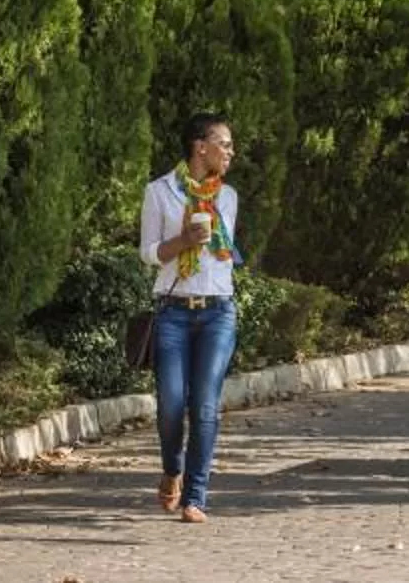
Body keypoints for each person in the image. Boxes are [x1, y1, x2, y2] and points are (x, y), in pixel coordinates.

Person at [140, 110, 242, 522]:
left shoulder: (228, 197)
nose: (231, 152)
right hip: (173, 312)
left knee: (204, 406)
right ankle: (171, 472)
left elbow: (225, 259)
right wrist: (182, 241)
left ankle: (195, 496)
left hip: (218, 311)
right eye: (225, 143)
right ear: (201, 146)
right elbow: (147, 253)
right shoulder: (160, 191)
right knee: (170, 405)